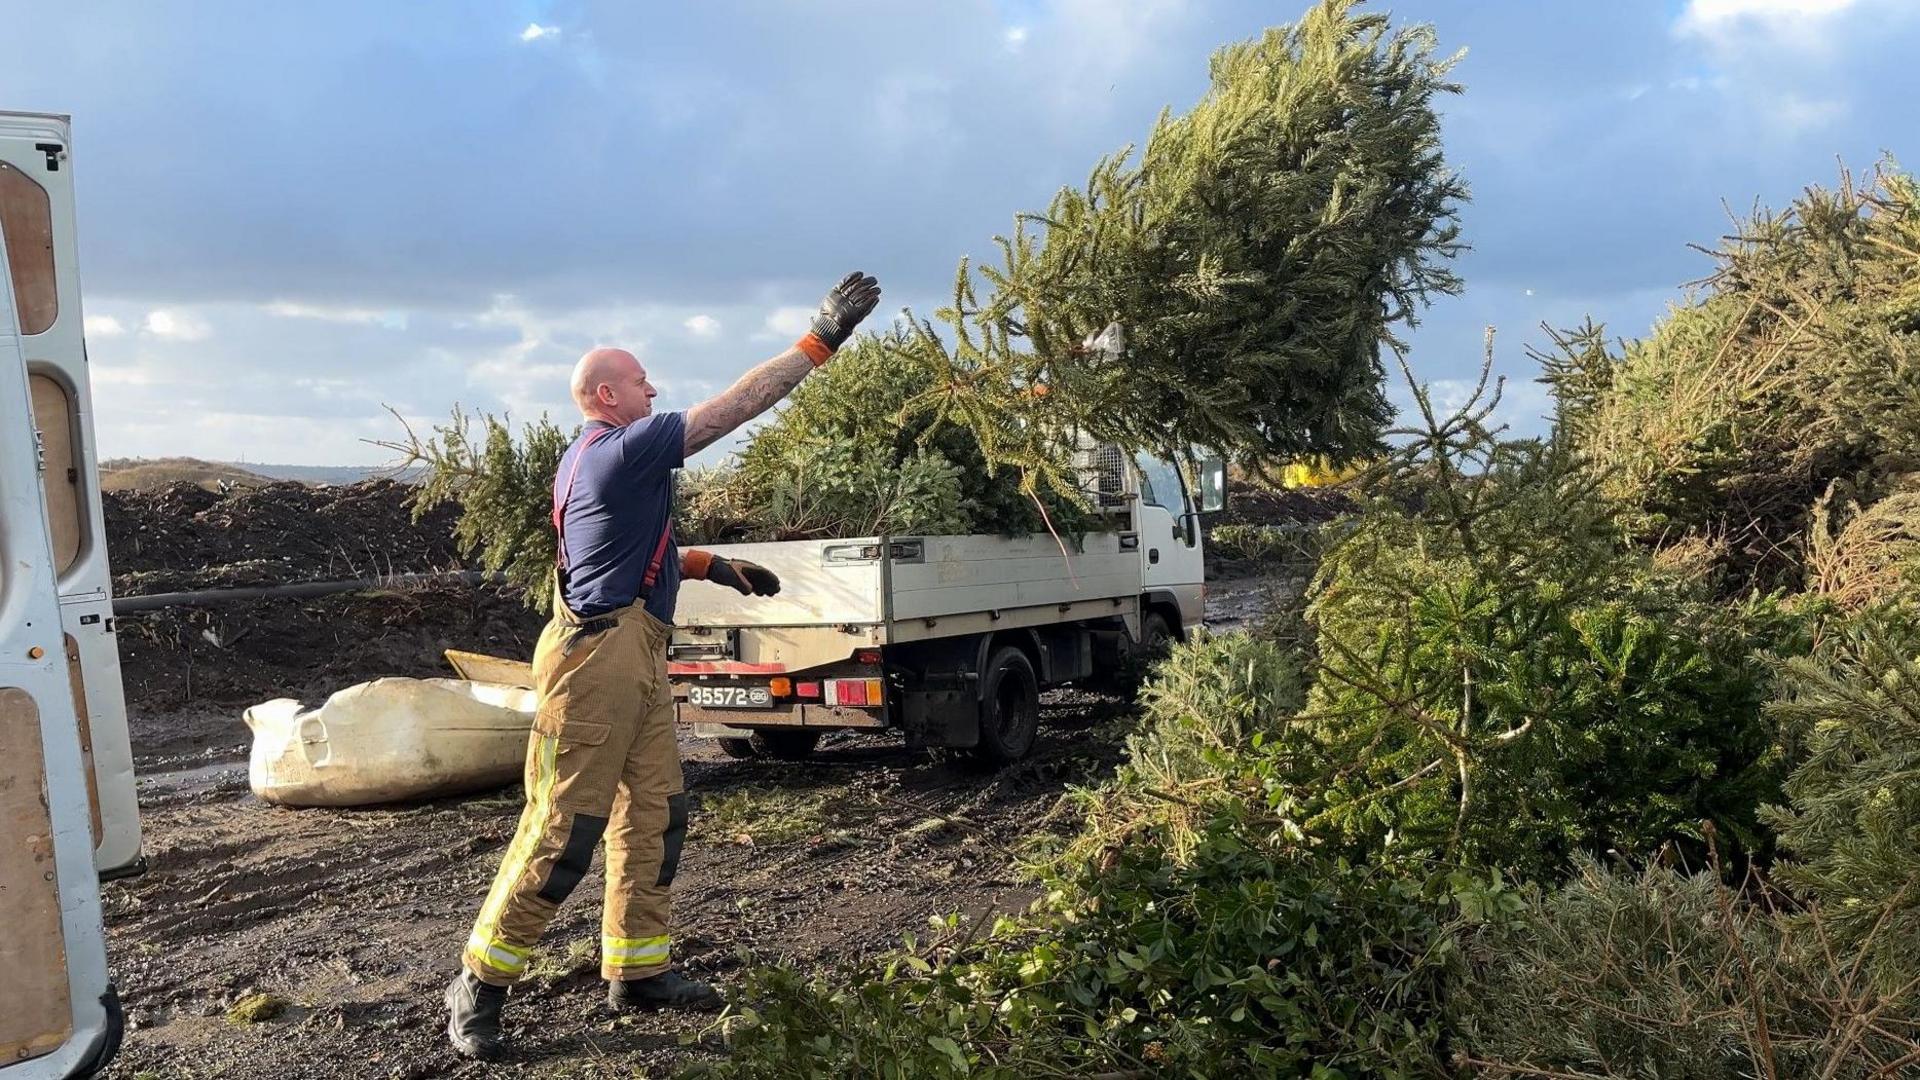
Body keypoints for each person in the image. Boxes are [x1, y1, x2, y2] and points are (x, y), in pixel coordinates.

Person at [445, 272, 882, 1059]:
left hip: (636, 650)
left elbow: (628, 556)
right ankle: (479, 981)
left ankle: (638, 971)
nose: (656, 389)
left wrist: (712, 566)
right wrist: (821, 338)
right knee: (563, 829)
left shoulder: (603, 463)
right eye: (643, 380)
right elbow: (736, 407)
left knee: (654, 813)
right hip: (596, 665)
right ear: (608, 396)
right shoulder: (622, 447)